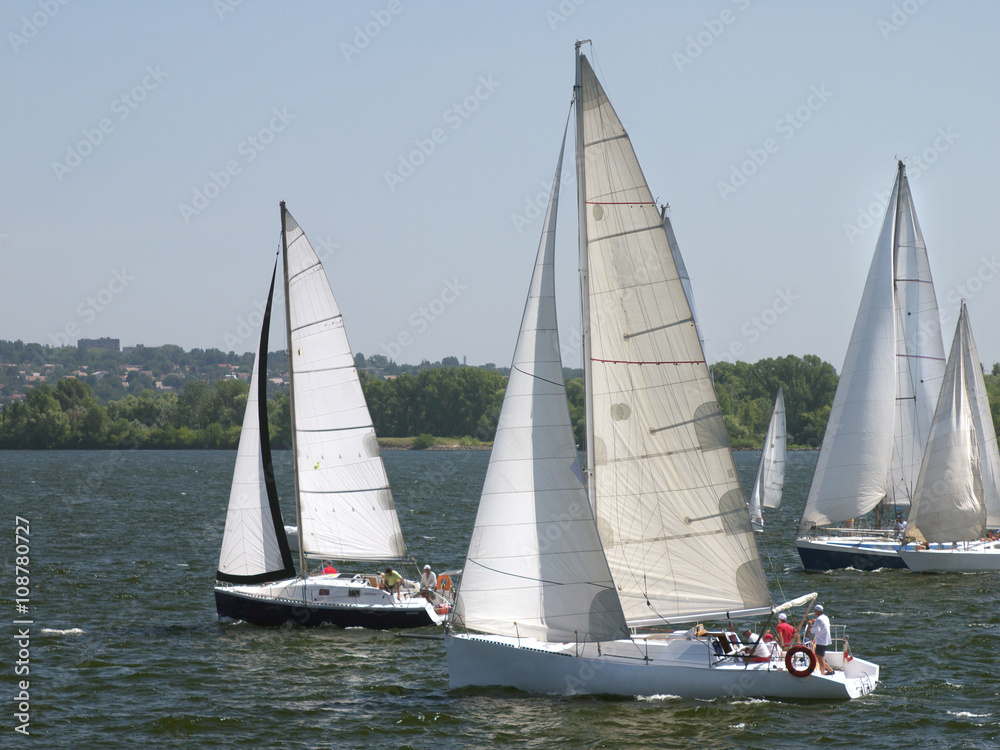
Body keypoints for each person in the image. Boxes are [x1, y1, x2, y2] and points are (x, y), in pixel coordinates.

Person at [810, 604, 834, 675]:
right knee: (819, 658)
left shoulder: (819, 619)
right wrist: (815, 622)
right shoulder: (825, 617)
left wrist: (810, 624)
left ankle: (823, 674)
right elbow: (820, 626)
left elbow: (812, 631)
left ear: (817, 611)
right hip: (825, 640)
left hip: (820, 641)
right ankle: (830, 670)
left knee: (820, 659)